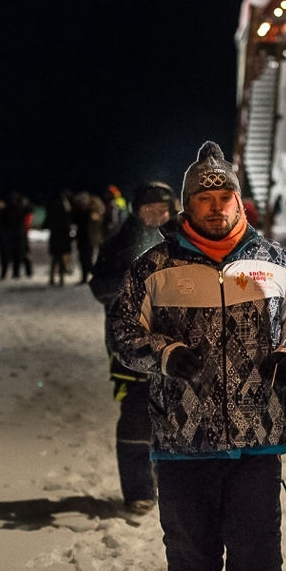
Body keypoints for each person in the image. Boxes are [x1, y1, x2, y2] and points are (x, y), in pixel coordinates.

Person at [106, 141, 286, 571]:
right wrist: (164, 353)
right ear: (188, 205)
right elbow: (123, 335)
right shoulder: (154, 267)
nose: (218, 205)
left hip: (257, 445)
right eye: (205, 198)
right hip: (182, 446)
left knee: (256, 562)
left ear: (239, 201)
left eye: (226, 196)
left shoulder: (276, 262)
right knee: (191, 565)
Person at [90, 181, 180, 514]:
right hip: (131, 350)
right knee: (136, 417)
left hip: (177, 347)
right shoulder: (119, 243)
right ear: (136, 211)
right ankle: (138, 488)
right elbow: (100, 287)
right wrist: (131, 284)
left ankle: (170, 482)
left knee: (176, 417)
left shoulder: (185, 241)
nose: (157, 216)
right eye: (149, 210)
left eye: (163, 209)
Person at [0, 190, 34, 280]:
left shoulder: (9, 209)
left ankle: (14, 273)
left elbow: (30, 210)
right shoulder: (16, 208)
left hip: (16, 235)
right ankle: (8, 273)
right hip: (14, 235)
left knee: (16, 255)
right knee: (10, 256)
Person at [42, 190, 74, 287]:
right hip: (63, 236)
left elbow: (46, 223)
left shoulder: (52, 210)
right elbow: (70, 220)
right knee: (61, 257)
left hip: (55, 236)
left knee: (55, 258)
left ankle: (52, 278)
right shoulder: (66, 209)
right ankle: (61, 278)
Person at [72, 190, 105, 284]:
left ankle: (92, 275)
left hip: (88, 239)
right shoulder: (83, 212)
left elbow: (96, 225)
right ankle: (86, 276)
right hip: (85, 238)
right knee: (84, 259)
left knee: (87, 259)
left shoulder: (93, 213)